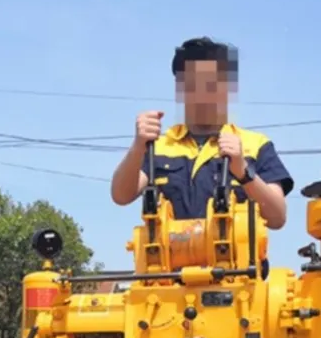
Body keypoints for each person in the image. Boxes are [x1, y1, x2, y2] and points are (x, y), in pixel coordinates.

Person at [110, 37, 293, 229]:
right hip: (168, 258)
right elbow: (121, 195)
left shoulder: (256, 145)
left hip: (238, 259)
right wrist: (138, 146)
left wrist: (243, 171)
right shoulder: (159, 146)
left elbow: (277, 218)